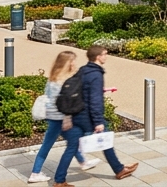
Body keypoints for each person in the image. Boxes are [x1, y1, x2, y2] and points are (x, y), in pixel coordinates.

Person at [54, 46, 137, 184]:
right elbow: (95, 100)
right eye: (105, 54)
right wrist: (98, 121)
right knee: (105, 138)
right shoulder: (96, 74)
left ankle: (59, 180)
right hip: (88, 116)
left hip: (76, 114)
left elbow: (76, 90)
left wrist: (67, 115)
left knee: (71, 148)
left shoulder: (83, 70)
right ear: (98, 57)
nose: (106, 56)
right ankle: (119, 169)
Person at [28, 50, 93, 183]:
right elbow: (65, 102)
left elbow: (48, 96)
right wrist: (67, 118)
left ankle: (82, 162)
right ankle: (36, 173)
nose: (74, 63)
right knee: (60, 144)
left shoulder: (53, 77)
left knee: (71, 142)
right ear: (67, 63)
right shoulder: (63, 80)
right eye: (72, 61)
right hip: (61, 118)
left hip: (53, 116)